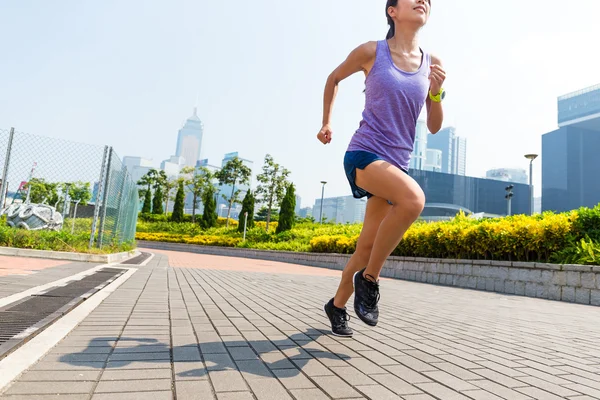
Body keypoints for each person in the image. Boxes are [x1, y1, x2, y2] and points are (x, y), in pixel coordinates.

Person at [318, 0, 446, 337]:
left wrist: (436, 93)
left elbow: (433, 127)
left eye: (428, 1)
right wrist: (326, 122)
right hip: (364, 153)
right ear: (392, 11)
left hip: (396, 166)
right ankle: (370, 280)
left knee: (364, 248)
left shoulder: (432, 63)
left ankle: (337, 305)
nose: (423, 1)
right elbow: (333, 78)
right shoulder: (371, 51)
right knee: (414, 201)